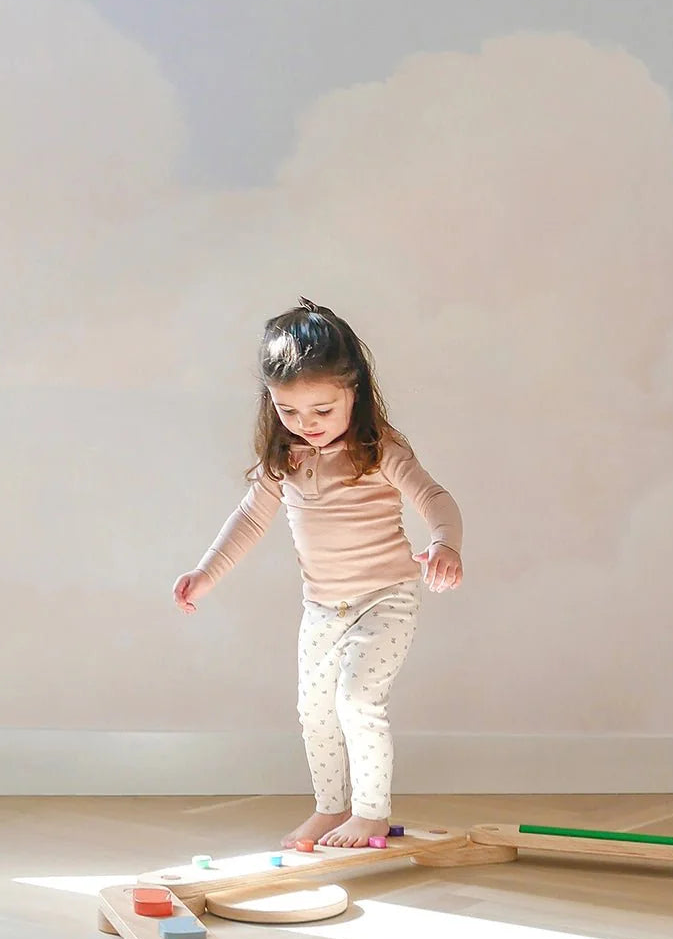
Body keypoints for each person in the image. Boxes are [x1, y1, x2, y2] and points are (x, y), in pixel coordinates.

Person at [173, 299, 463, 848]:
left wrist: (445, 543)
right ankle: (331, 809)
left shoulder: (379, 451)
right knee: (314, 710)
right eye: (288, 411)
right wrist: (207, 573)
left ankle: (370, 812)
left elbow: (434, 497)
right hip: (322, 608)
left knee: (357, 700)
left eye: (323, 411)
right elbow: (249, 520)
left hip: (385, 598)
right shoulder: (284, 459)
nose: (307, 426)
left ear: (355, 390)